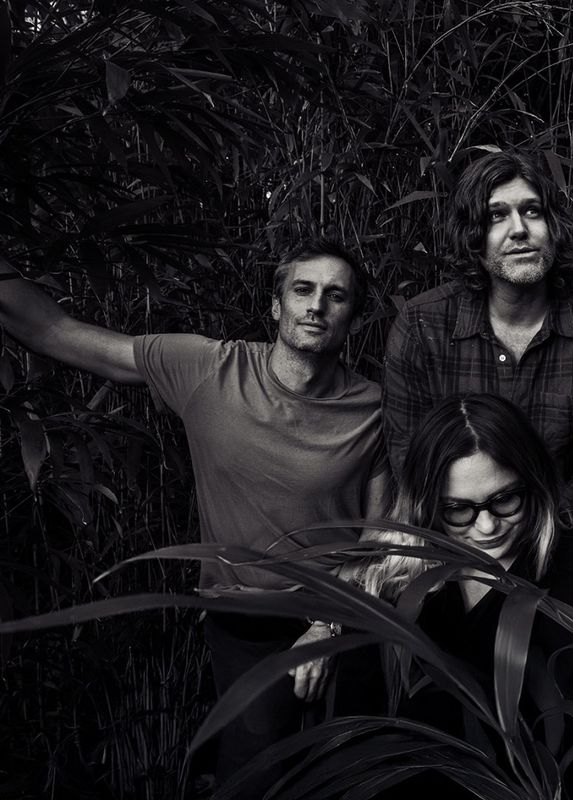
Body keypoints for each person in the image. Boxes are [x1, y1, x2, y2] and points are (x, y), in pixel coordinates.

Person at [0, 242, 390, 797]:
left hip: (341, 613)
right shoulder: (211, 369)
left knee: (350, 777)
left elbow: (379, 538)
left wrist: (327, 626)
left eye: (336, 296)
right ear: (276, 304)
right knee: (253, 777)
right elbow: (55, 331)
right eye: (302, 290)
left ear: (354, 316)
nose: (316, 306)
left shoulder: (376, 409)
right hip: (245, 617)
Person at [348, 393, 573, 799]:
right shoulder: (396, 581)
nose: (488, 527)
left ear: (533, 481)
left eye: (505, 499)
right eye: (459, 510)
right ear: (427, 504)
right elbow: (362, 736)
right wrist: (326, 624)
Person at [382, 150, 573, 538]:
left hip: (561, 547)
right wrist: (471, 543)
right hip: (454, 546)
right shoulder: (422, 324)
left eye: (532, 211)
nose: (519, 229)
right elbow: (411, 460)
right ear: (472, 235)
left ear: (552, 224)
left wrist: (528, 551)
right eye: (496, 215)